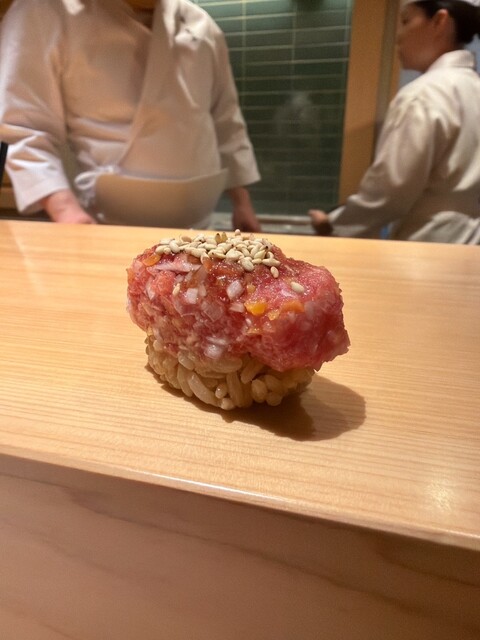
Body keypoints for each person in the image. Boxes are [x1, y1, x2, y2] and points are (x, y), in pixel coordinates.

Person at [0, 0, 261, 230]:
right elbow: (23, 129)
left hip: (199, 225)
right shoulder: (45, 10)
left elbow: (225, 120)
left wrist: (242, 203)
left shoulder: (203, 25)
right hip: (110, 224)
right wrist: (66, 211)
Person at [310, 0, 480, 244]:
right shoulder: (473, 86)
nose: (398, 36)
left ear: (439, 21)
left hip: (428, 244)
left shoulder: (423, 95)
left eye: (406, 21)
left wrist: (332, 223)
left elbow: (389, 192)